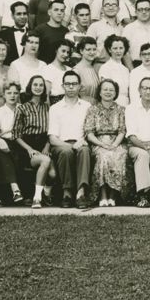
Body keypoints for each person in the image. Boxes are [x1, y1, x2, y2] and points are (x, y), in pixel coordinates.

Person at [47, 72, 93, 208]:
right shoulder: (55, 108)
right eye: (68, 84)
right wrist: (69, 146)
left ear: (79, 86)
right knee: (66, 152)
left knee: (84, 150)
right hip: (61, 145)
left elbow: (90, 131)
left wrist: (83, 141)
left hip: (81, 142)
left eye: (74, 84)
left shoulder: (87, 106)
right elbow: (52, 138)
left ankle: (80, 193)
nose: (71, 87)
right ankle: (67, 193)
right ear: (63, 86)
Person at [82, 78, 130, 208]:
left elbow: (122, 130)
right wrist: (101, 144)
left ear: (115, 93)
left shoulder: (121, 109)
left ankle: (113, 196)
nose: (108, 92)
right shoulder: (92, 109)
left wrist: (114, 145)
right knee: (103, 156)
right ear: (100, 92)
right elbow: (89, 132)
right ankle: (103, 195)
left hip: (117, 141)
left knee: (120, 155)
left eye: (111, 90)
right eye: (105, 89)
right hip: (98, 142)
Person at [12, 76, 56, 208]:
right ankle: (37, 198)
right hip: (27, 146)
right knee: (45, 161)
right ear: (30, 87)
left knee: (53, 174)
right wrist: (29, 149)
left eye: (41, 85)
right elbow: (16, 134)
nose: (38, 87)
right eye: (35, 85)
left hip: (45, 144)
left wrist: (47, 146)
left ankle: (46, 193)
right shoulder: (22, 108)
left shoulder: (48, 108)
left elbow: (52, 130)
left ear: (44, 88)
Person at [125, 76, 150, 207]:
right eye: (145, 88)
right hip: (136, 145)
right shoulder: (130, 108)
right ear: (139, 90)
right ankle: (143, 195)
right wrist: (145, 147)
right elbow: (131, 135)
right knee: (142, 156)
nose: (148, 91)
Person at [0, 81, 24, 206]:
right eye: (9, 93)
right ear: (4, 95)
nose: (12, 96)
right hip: (3, 143)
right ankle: (15, 188)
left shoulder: (23, 109)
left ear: (19, 95)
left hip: (19, 143)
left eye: (15, 93)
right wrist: (1, 141)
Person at [123, 0, 150, 65]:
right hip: (135, 66)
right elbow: (125, 53)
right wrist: (132, 70)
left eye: (147, 9)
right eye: (140, 9)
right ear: (136, 12)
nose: (144, 12)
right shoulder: (128, 29)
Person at [87, 0, 125, 64]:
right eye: (107, 5)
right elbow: (87, 50)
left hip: (119, 65)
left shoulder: (122, 28)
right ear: (102, 9)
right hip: (100, 64)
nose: (110, 8)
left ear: (118, 9)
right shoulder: (94, 27)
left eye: (114, 5)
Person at [31, 0, 69, 66]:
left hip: (61, 69)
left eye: (62, 10)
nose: (59, 13)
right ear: (49, 12)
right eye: (56, 10)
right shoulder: (39, 30)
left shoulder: (66, 31)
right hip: (44, 68)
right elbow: (34, 53)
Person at [97, 35, 132, 106]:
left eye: (121, 48)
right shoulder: (105, 68)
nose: (118, 51)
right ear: (109, 49)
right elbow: (106, 91)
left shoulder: (125, 69)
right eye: (115, 48)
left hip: (126, 103)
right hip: (112, 104)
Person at [72, 37, 101, 102]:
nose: (92, 52)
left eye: (94, 49)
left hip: (94, 108)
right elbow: (72, 94)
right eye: (88, 50)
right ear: (81, 51)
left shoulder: (94, 69)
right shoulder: (76, 71)